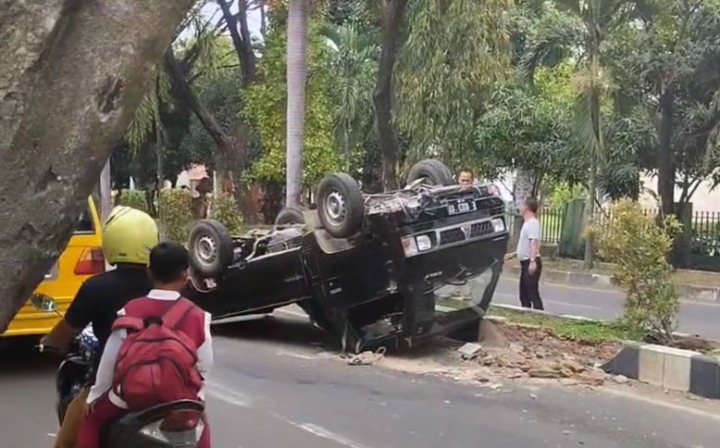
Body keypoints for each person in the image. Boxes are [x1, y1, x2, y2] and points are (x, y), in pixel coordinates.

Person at [75, 242, 213, 448]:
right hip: (178, 400)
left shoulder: (129, 310)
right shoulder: (199, 317)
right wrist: (197, 398)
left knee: (91, 421)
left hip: (130, 397)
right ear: (185, 274)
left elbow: (110, 361)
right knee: (202, 427)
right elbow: (203, 367)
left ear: (150, 272)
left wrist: (95, 395)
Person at [41, 206, 158, 448]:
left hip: (111, 386)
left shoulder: (96, 287)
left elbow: (66, 331)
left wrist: (47, 343)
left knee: (65, 443)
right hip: (164, 384)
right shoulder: (165, 286)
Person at [512, 197, 544, 310]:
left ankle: (539, 312)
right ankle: (526, 312)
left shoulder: (533, 223)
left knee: (532, 292)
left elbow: (533, 242)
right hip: (524, 262)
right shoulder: (527, 224)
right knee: (524, 293)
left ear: (526, 207)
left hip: (530, 262)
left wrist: (532, 261)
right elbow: (525, 244)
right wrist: (514, 254)